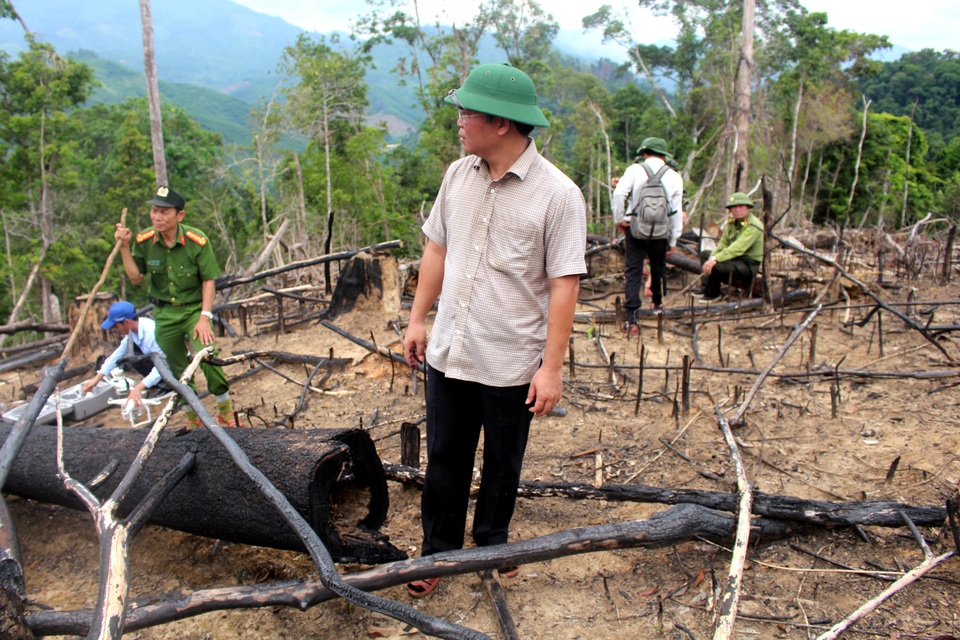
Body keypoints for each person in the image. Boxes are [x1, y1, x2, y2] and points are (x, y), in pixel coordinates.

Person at [402, 63, 586, 598]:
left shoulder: (558, 195)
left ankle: (492, 544)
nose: (459, 120)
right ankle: (437, 551)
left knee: (503, 464)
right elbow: (436, 247)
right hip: (451, 350)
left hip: (509, 360)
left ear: (502, 123)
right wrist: (418, 318)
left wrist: (550, 370)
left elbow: (564, 286)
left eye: (467, 112)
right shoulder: (459, 175)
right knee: (444, 459)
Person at [114, 185, 237, 427]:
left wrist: (204, 317)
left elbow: (208, 281)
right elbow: (136, 277)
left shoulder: (196, 241)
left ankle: (226, 411)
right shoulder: (144, 241)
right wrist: (125, 247)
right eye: (154, 211)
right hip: (164, 314)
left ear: (179, 215)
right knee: (177, 367)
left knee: (207, 354)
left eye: (164, 212)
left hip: (193, 310)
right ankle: (193, 419)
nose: (157, 217)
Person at [611, 137, 684, 333]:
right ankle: (658, 303)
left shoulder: (635, 170)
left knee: (633, 271)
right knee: (658, 266)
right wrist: (674, 239)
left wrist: (620, 219)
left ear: (645, 153)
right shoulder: (674, 176)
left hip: (635, 228)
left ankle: (633, 318)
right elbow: (676, 211)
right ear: (664, 155)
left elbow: (619, 194)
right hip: (661, 230)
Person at [81, 301, 170, 406]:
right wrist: (95, 380)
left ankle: (168, 386)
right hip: (160, 364)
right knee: (131, 357)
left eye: (116, 326)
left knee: (138, 358)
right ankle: (158, 385)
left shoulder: (151, 333)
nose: (116, 330)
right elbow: (117, 355)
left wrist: (139, 387)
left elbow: (166, 364)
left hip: (174, 367)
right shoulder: (133, 332)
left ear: (126, 322)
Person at [697, 191, 765, 303]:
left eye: (740, 206)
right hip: (735, 259)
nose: (737, 210)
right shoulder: (732, 223)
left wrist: (715, 259)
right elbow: (723, 243)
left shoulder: (753, 226)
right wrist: (712, 256)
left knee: (716, 265)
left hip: (748, 264)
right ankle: (707, 287)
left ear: (748, 208)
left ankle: (714, 294)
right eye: (733, 207)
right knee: (706, 254)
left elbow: (738, 248)